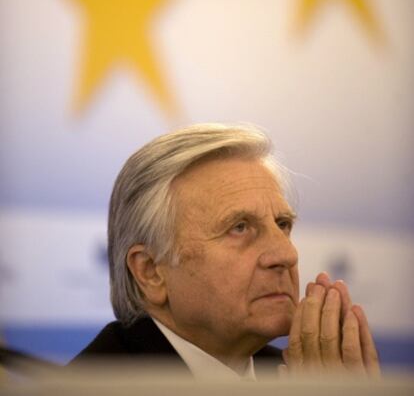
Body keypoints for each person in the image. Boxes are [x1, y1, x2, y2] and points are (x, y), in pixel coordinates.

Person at [71, 123, 380, 380]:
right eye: (240, 227)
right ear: (151, 271)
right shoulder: (94, 385)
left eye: (283, 224)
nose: (286, 255)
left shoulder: (297, 374)